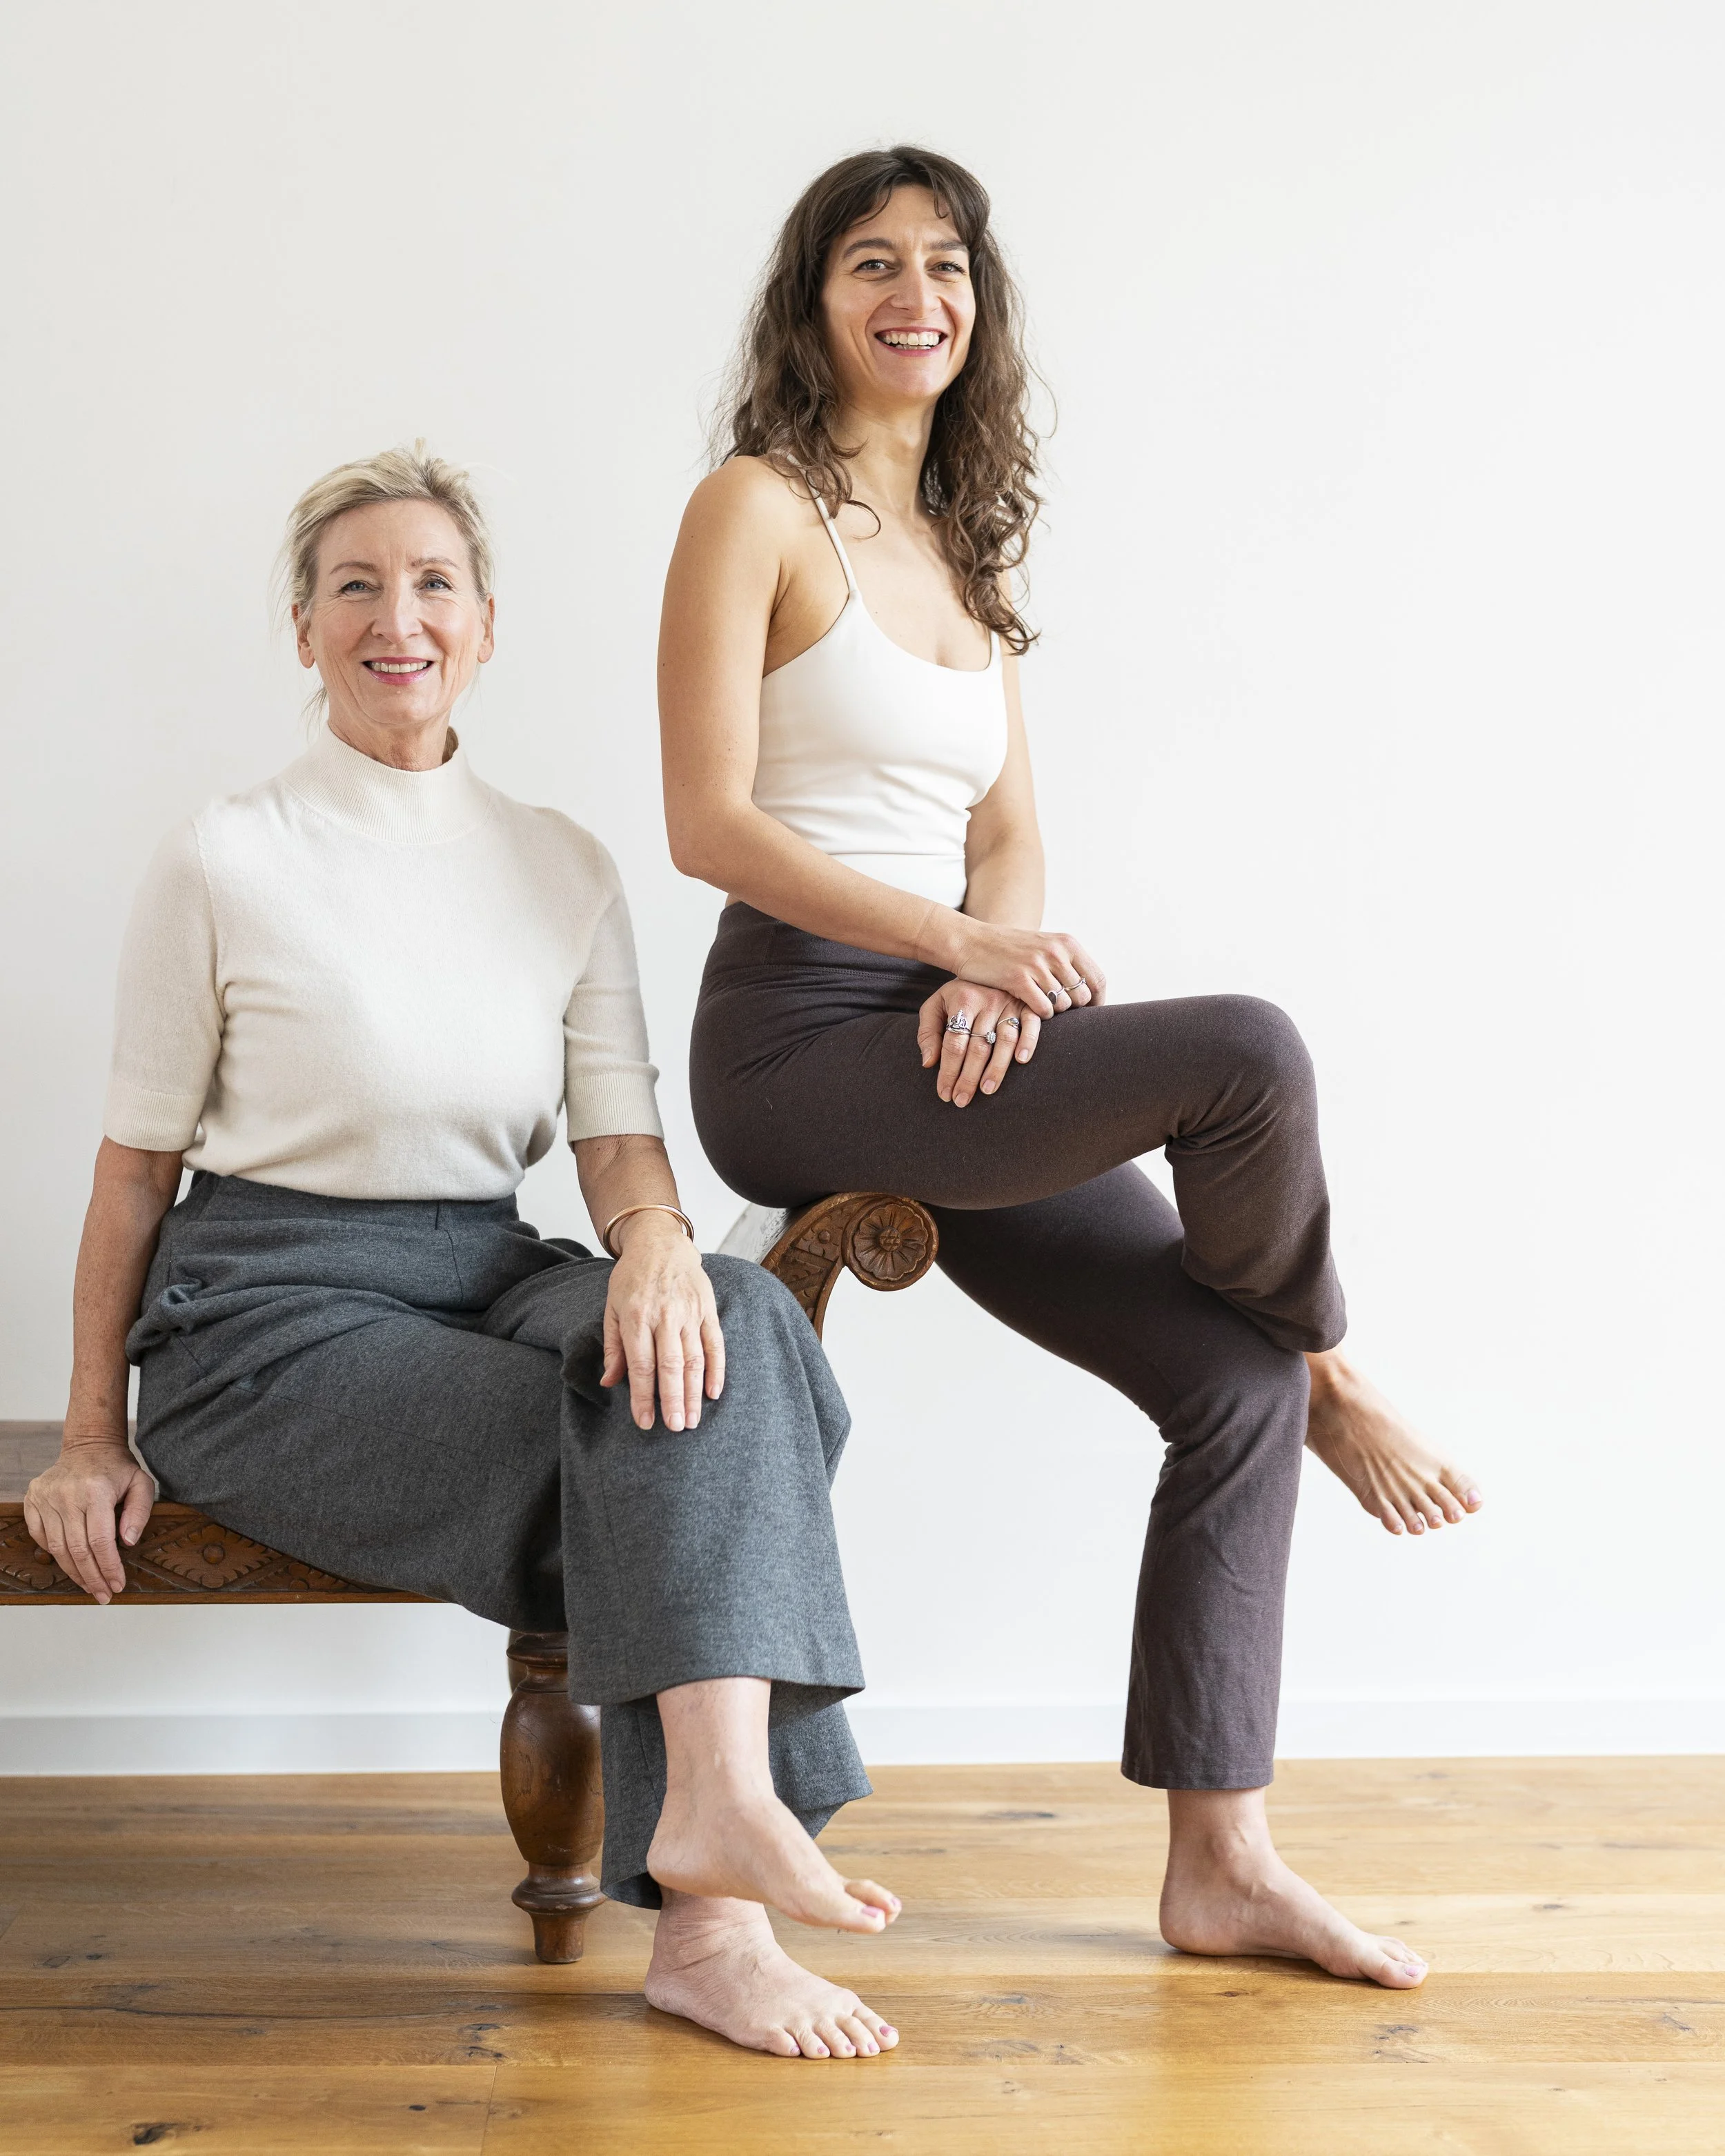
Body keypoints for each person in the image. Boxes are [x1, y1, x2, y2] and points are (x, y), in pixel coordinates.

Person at [658, 147, 1486, 1991]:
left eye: (946, 266)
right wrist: (952, 945)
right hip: (796, 1038)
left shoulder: (962, 541)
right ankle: (1338, 1352)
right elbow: (705, 821)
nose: (914, 294)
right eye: (870, 262)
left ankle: (1220, 1858)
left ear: (980, 307)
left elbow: (1011, 833)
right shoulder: (754, 506)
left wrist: (997, 971)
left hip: (945, 1039)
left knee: (1225, 1379)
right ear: (813, 303)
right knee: (1247, 1059)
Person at [25, 445, 901, 2061]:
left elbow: (622, 1137)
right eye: (354, 584)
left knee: (732, 1324)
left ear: (487, 624)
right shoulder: (223, 854)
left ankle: (708, 1853)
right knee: (658, 1443)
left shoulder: (561, 862)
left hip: (486, 1262)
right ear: (302, 630)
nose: (395, 615)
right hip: (264, 1313)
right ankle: (713, 1905)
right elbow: (133, 1172)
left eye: (431, 582)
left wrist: (649, 1247)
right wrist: (91, 1429)